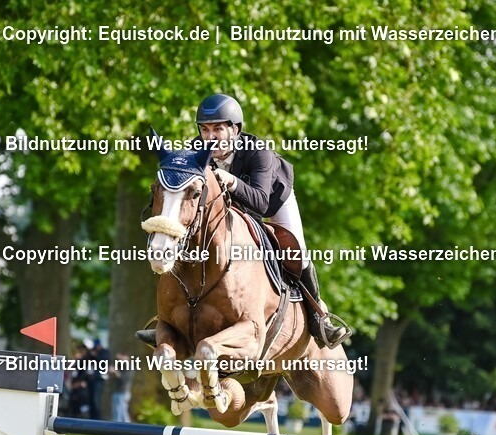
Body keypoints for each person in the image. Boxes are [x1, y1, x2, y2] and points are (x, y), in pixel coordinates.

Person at [139, 94, 350, 349]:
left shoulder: (259, 153)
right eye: (205, 129)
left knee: (296, 249)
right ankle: (170, 319)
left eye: (218, 128)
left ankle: (319, 318)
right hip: (228, 207)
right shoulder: (196, 151)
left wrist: (232, 182)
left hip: (272, 199)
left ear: (235, 129)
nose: (211, 136)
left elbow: (260, 203)